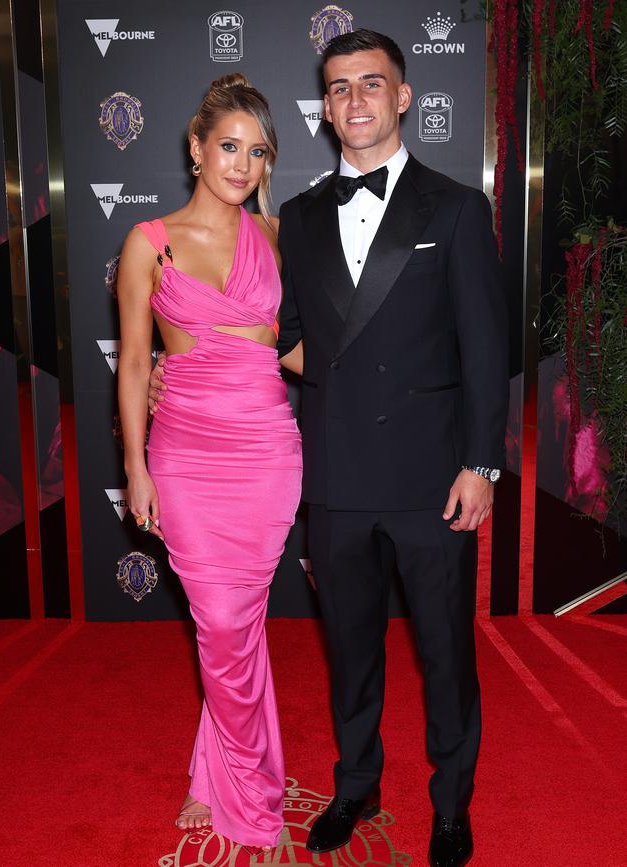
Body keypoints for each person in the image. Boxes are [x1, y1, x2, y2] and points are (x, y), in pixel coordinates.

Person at [150, 30, 508, 867]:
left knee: (446, 656)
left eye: (371, 84)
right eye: (339, 87)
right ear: (325, 105)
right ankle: (356, 788)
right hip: (335, 476)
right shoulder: (296, 221)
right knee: (350, 653)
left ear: (404, 96)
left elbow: (486, 348)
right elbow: (278, 335)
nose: (355, 101)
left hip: (433, 479)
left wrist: (482, 463)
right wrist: (178, 369)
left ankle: (451, 803)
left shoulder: (456, 208)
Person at [117, 74, 302, 855]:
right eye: (229, 146)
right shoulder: (148, 242)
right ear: (196, 149)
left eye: (257, 152)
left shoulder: (274, 237)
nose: (242, 164)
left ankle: (213, 771)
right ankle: (249, 786)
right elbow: (132, 363)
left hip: (267, 451)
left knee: (241, 622)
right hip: (187, 455)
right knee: (220, 621)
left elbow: (291, 349)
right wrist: (136, 467)